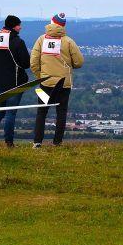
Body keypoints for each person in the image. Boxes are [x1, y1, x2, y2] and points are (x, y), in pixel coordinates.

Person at [30, 13, 84, 148]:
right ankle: (57, 142)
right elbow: (79, 62)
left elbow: (33, 62)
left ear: (51, 22)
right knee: (61, 112)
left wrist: (41, 76)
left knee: (41, 112)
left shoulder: (41, 40)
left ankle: (37, 142)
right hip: (63, 85)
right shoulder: (69, 41)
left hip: (45, 83)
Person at [0, 15, 30, 148]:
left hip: (0, 82)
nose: (20, 27)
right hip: (16, 82)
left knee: (0, 110)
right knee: (11, 112)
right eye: (19, 25)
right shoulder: (17, 42)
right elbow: (26, 63)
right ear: (14, 26)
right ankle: (9, 142)